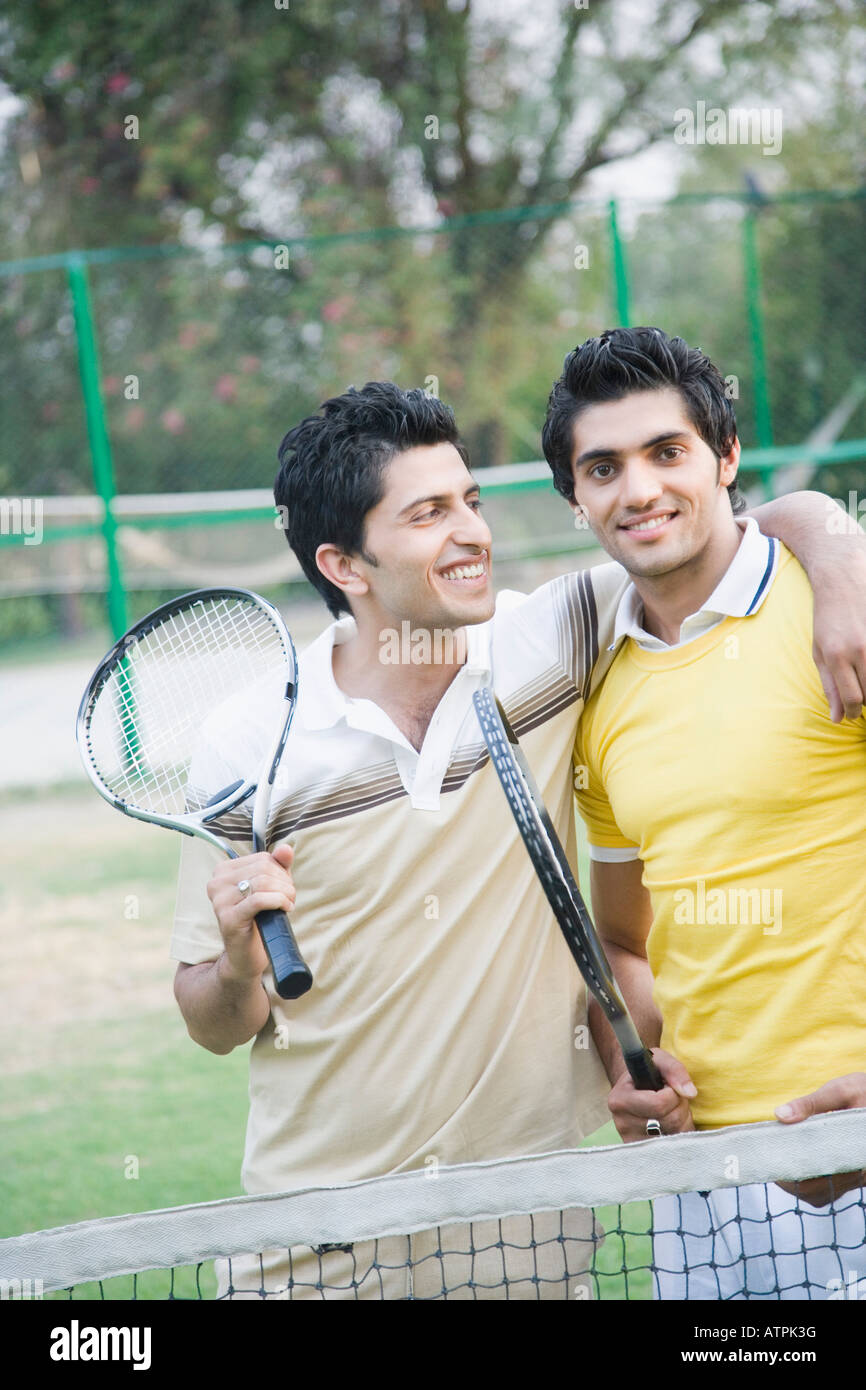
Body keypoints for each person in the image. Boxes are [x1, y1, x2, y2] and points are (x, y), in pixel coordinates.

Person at [171, 379, 866, 1300]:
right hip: (315, 1229)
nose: (471, 533)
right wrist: (231, 960)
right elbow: (214, 1024)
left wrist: (836, 544)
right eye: (428, 514)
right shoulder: (246, 745)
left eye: (472, 501)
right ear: (345, 564)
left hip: (531, 1217)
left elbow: (711, 522)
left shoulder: (553, 636)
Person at [541, 326, 866, 1299]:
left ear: (724, 458)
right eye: (602, 467)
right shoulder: (594, 692)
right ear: (574, 498)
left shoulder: (838, 606)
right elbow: (624, 942)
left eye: (665, 452)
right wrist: (633, 1062)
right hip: (710, 1190)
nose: (636, 490)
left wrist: (826, 536)